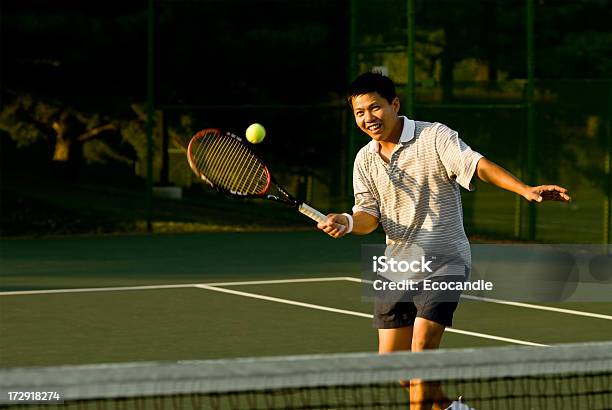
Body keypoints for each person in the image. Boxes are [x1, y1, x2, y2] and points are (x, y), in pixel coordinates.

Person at [317, 72, 571, 410]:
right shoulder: (364, 159)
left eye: (374, 108)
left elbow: (476, 165)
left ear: (394, 104)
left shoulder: (434, 136)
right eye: (359, 113)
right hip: (398, 265)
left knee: (421, 352)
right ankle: (452, 408)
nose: (368, 118)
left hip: (445, 259)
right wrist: (348, 222)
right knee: (400, 370)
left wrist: (523, 189)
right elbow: (369, 216)